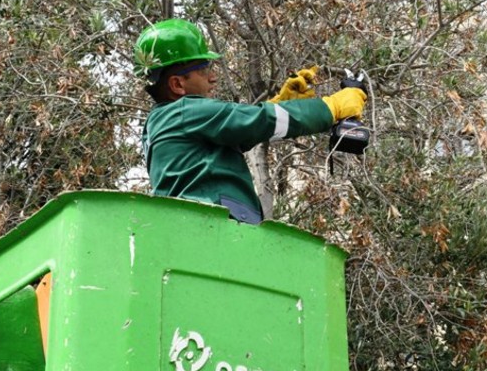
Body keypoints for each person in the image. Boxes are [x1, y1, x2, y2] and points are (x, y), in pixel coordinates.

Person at [135, 18, 366, 224]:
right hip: (214, 228)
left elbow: (241, 132)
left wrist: (281, 103)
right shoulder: (187, 112)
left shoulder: (161, 121)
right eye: (204, 70)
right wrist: (332, 107)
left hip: (193, 229)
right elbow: (258, 121)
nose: (213, 78)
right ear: (177, 84)